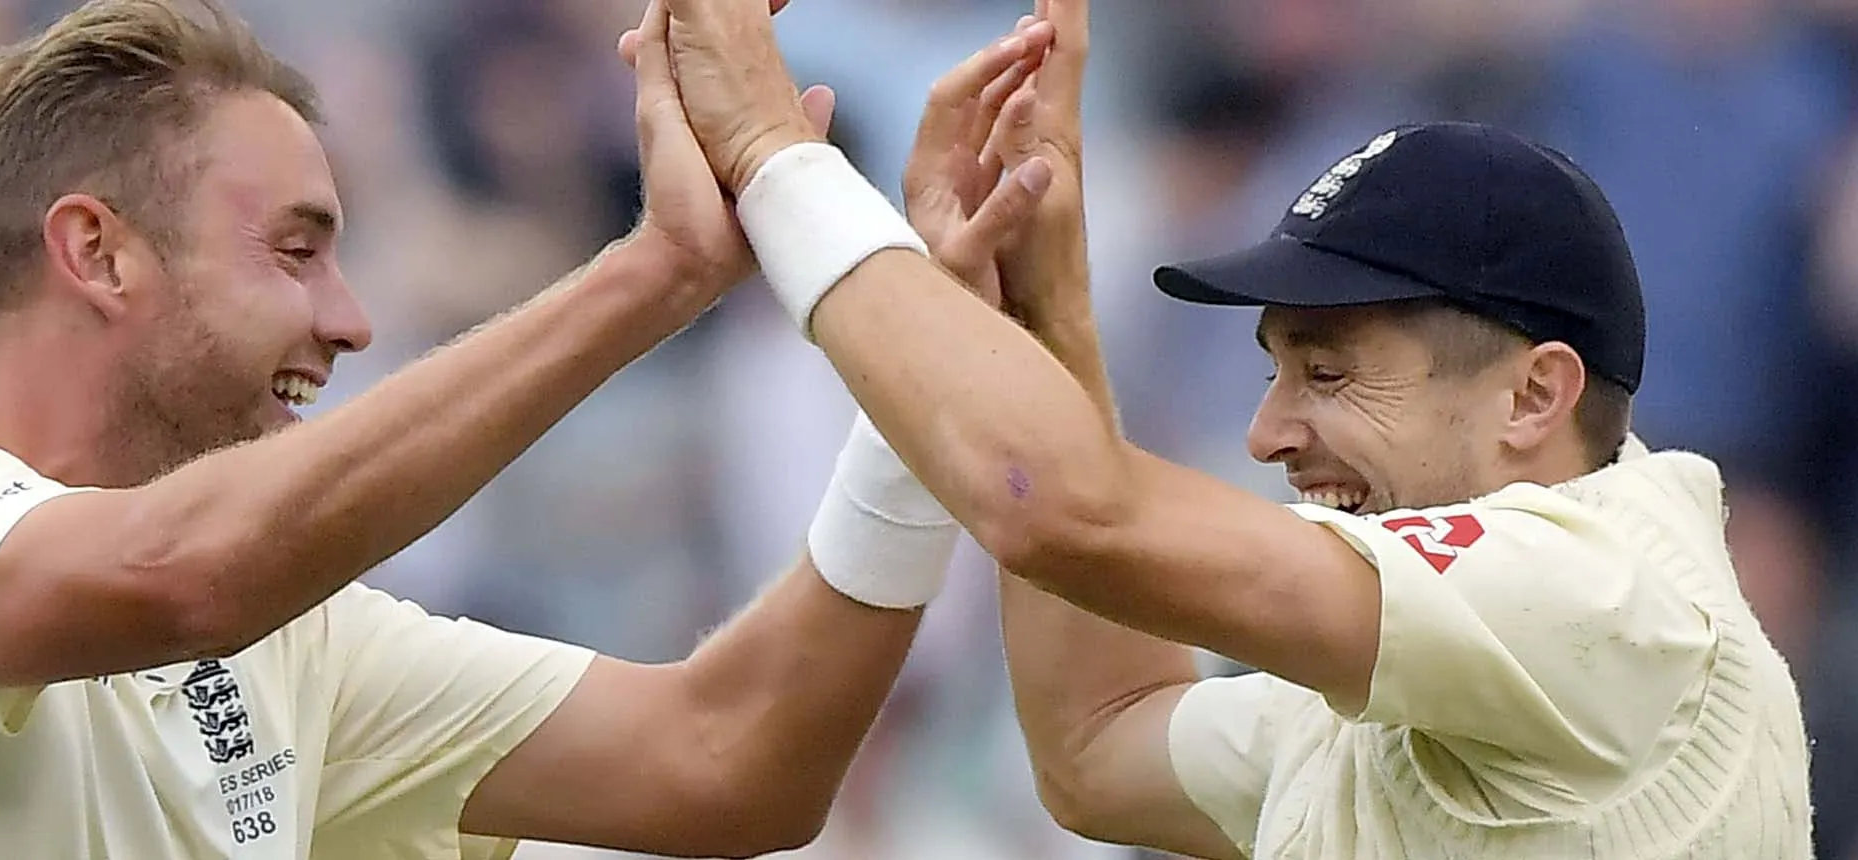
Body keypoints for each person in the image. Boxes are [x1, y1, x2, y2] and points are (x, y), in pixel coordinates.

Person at [0, 0, 1061, 857]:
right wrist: (655, 275)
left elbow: (734, 762)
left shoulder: (297, 640)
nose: (351, 318)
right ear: (97, 254)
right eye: (294, 251)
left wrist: (917, 371)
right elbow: (181, 575)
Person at [634, 0, 1814, 857]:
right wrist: (1032, 303)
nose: (1264, 432)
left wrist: (777, 163)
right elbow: (1100, 745)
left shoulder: (1595, 587)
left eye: (1328, 369)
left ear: (1532, 396)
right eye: (1271, 368)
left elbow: (1065, 514)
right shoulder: (1445, 670)